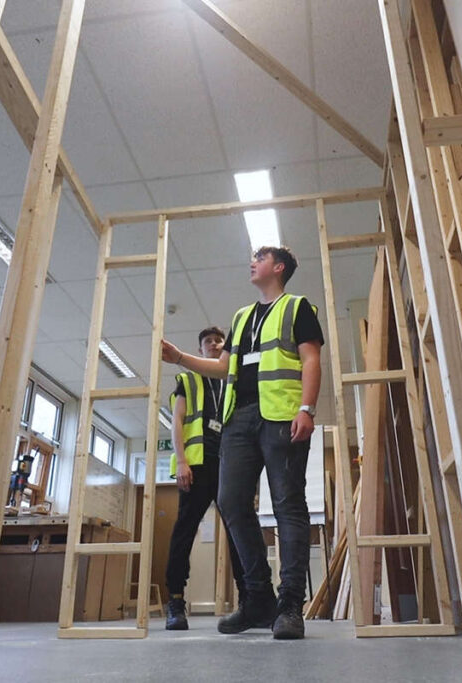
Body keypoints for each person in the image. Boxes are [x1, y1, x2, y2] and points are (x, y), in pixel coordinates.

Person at [161, 245, 323, 640]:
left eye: (260, 258)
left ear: (279, 267)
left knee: (288, 505)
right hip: (239, 420)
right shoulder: (242, 316)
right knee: (232, 501)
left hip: (282, 415)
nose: (252, 262)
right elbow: (223, 367)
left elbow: (311, 360)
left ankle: (289, 606)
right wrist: (180, 356)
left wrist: (307, 408)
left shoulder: (298, 307)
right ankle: (258, 598)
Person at [164, 326, 245, 631]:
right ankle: (175, 601)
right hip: (196, 468)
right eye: (208, 342)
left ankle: (250, 598)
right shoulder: (187, 379)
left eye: (218, 341)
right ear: (200, 350)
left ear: (224, 348)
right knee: (184, 532)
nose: (213, 344)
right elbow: (177, 422)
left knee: (240, 534)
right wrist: (182, 461)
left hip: (229, 466)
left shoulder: (233, 381)